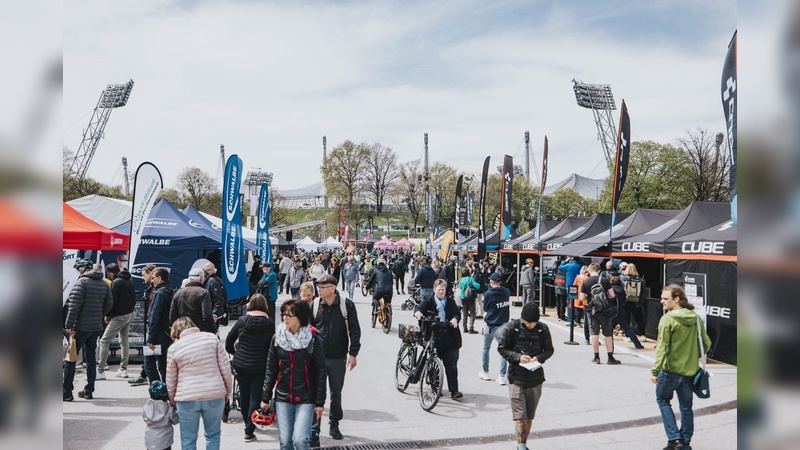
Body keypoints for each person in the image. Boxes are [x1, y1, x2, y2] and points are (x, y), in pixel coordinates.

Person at [261, 299, 327, 450]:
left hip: (306, 397)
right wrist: (265, 397)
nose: (286, 318)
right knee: (285, 442)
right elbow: (271, 369)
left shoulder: (313, 339)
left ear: (300, 317)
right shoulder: (277, 338)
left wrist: (319, 402)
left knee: (300, 440)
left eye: (290, 315)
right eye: (284, 314)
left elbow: (321, 372)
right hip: (283, 396)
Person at [652, 284, 711, 450]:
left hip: (670, 371)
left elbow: (663, 349)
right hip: (690, 371)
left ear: (676, 299)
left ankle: (674, 438)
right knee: (686, 408)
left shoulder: (667, 319)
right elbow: (706, 343)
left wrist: (655, 371)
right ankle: (684, 443)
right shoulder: (695, 318)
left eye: (665, 298)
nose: (661, 301)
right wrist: (692, 356)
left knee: (663, 400)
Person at [309, 274, 361, 445]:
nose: (319, 290)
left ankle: (334, 425)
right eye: (318, 287)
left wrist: (353, 354)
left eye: (323, 287)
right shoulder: (315, 305)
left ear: (333, 288)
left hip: (338, 357)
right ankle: (314, 430)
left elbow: (355, 330)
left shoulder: (346, 305)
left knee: (336, 393)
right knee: (317, 394)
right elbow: (307, 330)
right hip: (317, 358)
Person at [166, 317, 232, 450]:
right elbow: (225, 368)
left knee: (188, 438)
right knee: (213, 434)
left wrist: (172, 400)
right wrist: (227, 391)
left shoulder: (174, 348)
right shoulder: (212, 339)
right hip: (214, 393)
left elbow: (171, 379)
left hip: (187, 397)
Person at [497, 303, 554, 450]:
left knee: (529, 416)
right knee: (520, 417)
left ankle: (523, 444)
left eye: (533, 323)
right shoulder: (511, 328)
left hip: (535, 379)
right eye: (528, 323)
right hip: (516, 377)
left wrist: (538, 358)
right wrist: (517, 357)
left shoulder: (543, 329)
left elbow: (549, 350)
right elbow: (502, 348)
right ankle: (521, 446)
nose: (530, 326)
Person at [225, 294, 276, 442]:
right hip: (261, 366)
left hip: (241, 365)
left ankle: (248, 423)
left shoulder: (242, 321)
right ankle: (249, 428)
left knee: (244, 395)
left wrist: (234, 353)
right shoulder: (269, 324)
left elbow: (229, 340)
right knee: (256, 397)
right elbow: (273, 346)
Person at [63, 259, 113, 401]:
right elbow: (110, 304)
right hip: (95, 326)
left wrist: (69, 325)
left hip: (80, 327)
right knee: (90, 358)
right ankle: (89, 390)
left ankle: (67, 392)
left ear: (83, 269)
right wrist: (99, 314)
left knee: (71, 359)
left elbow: (74, 306)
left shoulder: (81, 283)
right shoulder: (104, 284)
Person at [414, 279, 463, 399]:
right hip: (432, 336)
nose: (441, 291)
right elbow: (419, 308)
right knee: (431, 362)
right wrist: (418, 313)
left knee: (451, 364)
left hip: (448, 336)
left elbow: (457, 313)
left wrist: (455, 319)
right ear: (434, 289)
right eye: (439, 289)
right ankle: (435, 387)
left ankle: (454, 391)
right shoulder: (428, 300)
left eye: (443, 289)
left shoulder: (450, 301)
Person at [97, 263, 136, 379]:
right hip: (130, 314)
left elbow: (112, 301)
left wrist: (108, 314)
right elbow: (133, 298)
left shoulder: (117, 282)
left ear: (110, 273)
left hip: (120, 316)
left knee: (104, 341)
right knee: (124, 341)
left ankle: (100, 371)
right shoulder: (129, 279)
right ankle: (123, 369)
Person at [579, 263, 621, 365]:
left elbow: (581, 298)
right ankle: (610, 357)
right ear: (598, 270)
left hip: (592, 311)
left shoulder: (585, 282)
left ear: (589, 271)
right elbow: (612, 295)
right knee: (607, 333)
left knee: (594, 333)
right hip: (605, 311)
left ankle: (596, 357)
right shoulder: (604, 280)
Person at [480, 272, 511, 385]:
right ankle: (502, 375)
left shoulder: (489, 293)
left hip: (491, 324)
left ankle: (485, 372)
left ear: (492, 282)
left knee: (486, 348)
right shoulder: (506, 292)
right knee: (504, 350)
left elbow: (486, 308)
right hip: (503, 324)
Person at [130, 264, 157, 387]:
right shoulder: (150, 288)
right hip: (151, 325)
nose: (142, 277)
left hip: (154, 327)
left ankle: (153, 383)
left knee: (151, 356)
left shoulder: (156, 290)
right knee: (150, 356)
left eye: (144, 274)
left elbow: (154, 310)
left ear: (151, 274)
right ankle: (143, 374)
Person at [146, 268, 174, 383]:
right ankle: (166, 391)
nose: (152, 281)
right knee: (163, 366)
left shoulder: (160, 293)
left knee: (149, 364)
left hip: (157, 335)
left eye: (153, 278)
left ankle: (158, 392)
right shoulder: (170, 291)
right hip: (167, 333)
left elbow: (154, 316)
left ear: (159, 278)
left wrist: (150, 338)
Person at [169, 268, 214, 333]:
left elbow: (172, 316)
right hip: (200, 330)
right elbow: (207, 316)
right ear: (201, 278)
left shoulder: (178, 293)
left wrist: (178, 329)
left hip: (183, 330)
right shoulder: (204, 293)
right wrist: (212, 330)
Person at [609, 276, 644, 349]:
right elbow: (624, 300)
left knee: (609, 330)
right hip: (620, 311)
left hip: (611, 311)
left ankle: (611, 348)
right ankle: (637, 344)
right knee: (628, 328)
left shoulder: (610, 290)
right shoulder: (622, 291)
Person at [143, 380, 179, 450]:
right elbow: (175, 420)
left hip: (150, 440)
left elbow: (145, 418)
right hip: (165, 441)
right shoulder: (169, 409)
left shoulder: (146, 407)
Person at [621, 263, 647, 341]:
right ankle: (643, 335)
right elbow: (643, 291)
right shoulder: (639, 279)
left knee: (627, 319)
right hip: (637, 302)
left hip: (626, 301)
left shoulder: (623, 279)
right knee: (639, 319)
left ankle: (628, 336)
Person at [202, 262, 227, 332]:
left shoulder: (214, 281)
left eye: (209, 269)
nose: (207, 271)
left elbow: (219, 299)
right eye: (205, 269)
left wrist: (215, 314)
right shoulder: (204, 280)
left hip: (212, 312)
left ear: (214, 270)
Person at [559, 257, 583, 325]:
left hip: (570, 285)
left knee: (570, 302)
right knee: (577, 303)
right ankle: (577, 319)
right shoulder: (580, 266)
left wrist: (566, 260)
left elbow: (560, 267)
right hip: (578, 285)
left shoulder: (569, 266)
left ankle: (570, 319)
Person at [457, 267, 481, 334]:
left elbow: (459, 287)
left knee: (464, 313)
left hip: (463, 297)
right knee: (472, 313)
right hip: (470, 297)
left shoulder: (461, 280)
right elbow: (477, 286)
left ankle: (464, 328)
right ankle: (471, 328)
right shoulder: (471, 279)